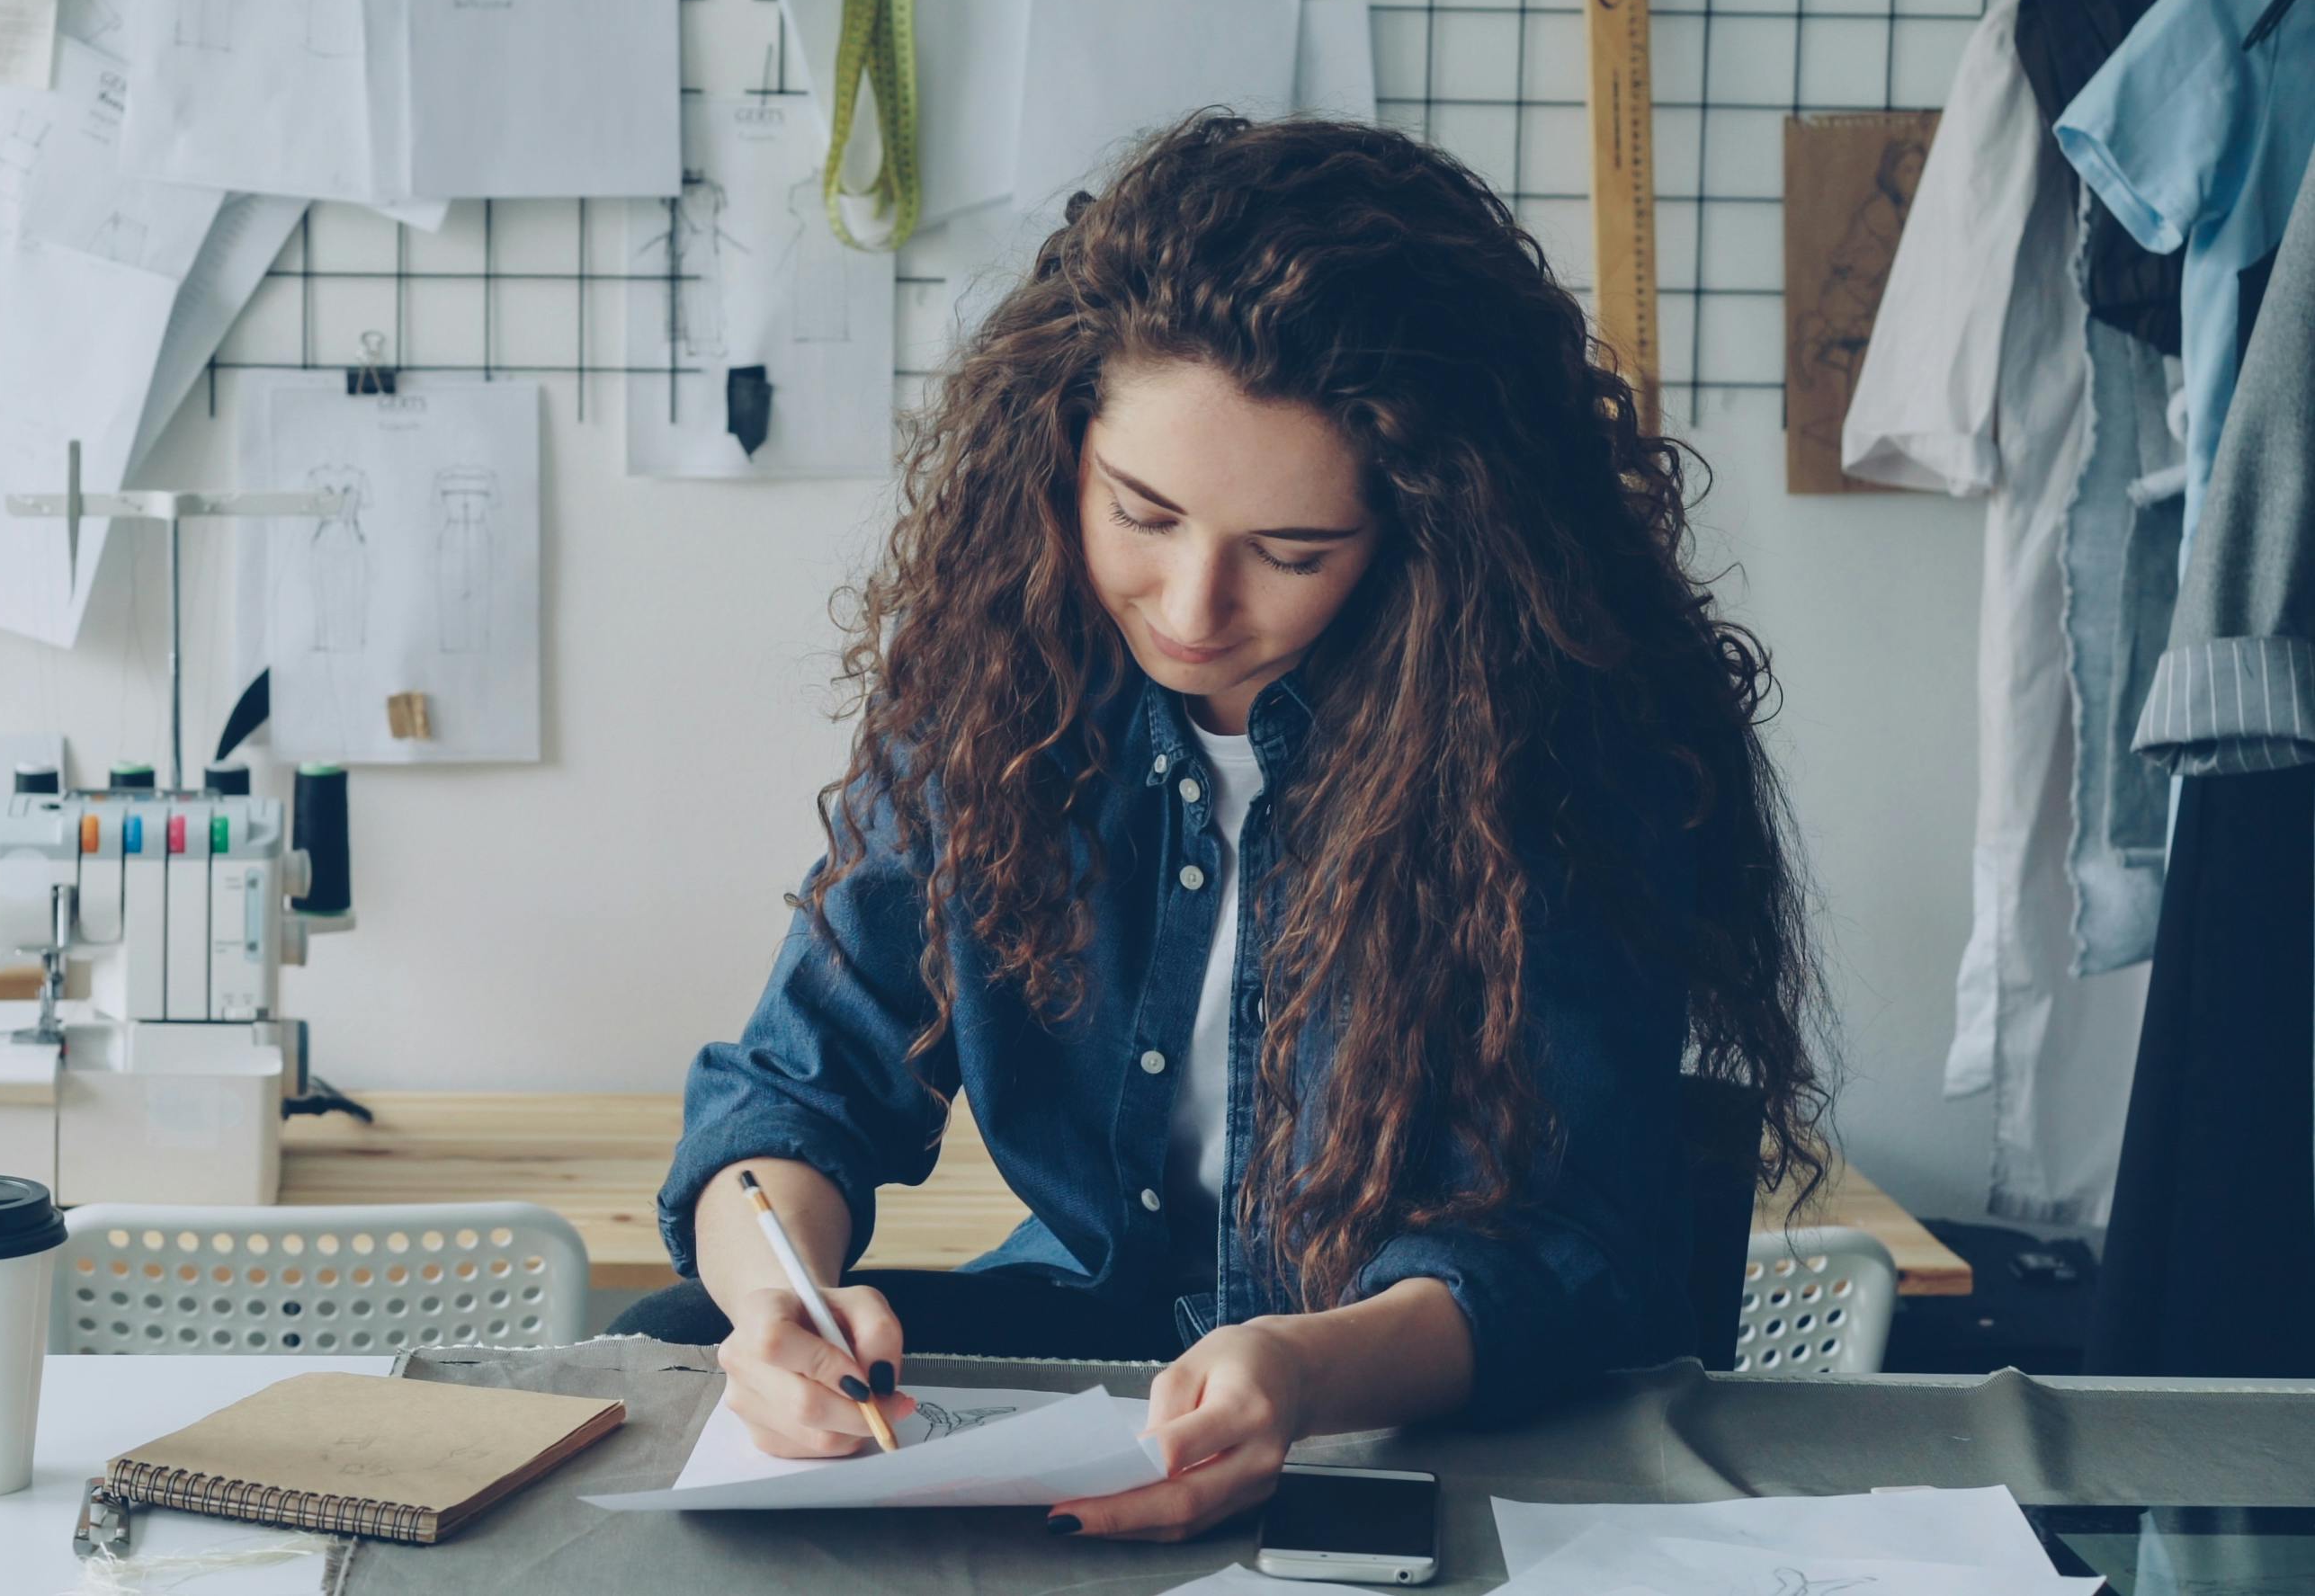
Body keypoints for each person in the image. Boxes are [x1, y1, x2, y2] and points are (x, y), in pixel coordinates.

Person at [615, 112, 1829, 1542]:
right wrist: (778, 1303)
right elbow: (797, 1089)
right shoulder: (994, 688)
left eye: (1293, 552)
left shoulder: (1553, 738)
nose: (1193, 609)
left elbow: (1565, 1250)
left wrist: (1302, 1370)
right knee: (670, 1328)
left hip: (1413, 1390)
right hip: (1108, 1347)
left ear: (1427, 531)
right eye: (1143, 514)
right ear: (1059, 453)